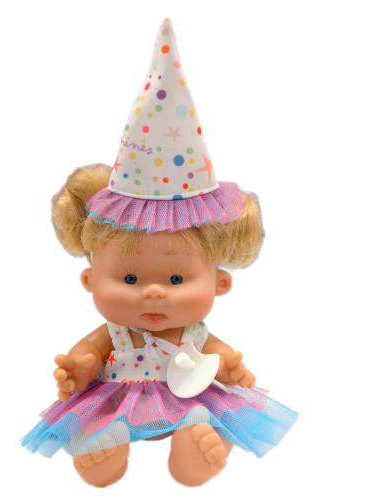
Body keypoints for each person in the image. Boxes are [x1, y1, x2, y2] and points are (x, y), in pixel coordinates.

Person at [22, 18, 297, 487]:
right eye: (129, 279)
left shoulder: (193, 333)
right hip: (117, 398)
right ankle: (105, 454)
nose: (153, 292)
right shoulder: (116, 334)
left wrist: (232, 367)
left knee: (205, 418)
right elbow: (90, 352)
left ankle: (194, 454)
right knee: (96, 424)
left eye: (176, 280)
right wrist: (82, 366)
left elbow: (218, 354)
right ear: (90, 280)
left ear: (220, 283)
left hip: (190, 399)